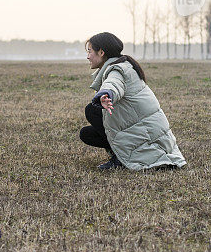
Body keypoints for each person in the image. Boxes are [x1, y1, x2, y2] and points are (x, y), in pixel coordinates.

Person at [79, 32, 187, 171]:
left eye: (90, 51)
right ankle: (119, 153)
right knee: (87, 134)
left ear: (101, 52)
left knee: (92, 110)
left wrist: (106, 94)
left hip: (147, 134)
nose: (88, 56)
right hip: (148, 131)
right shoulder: (125, 65)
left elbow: (114, 83)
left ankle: (120, 158)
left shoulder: (117, 70)